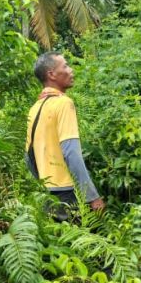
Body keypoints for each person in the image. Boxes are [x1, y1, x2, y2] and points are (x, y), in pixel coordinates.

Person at [25, 52, 105, 217]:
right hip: (69, 192)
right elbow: (71, 153)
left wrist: (43, 183)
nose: (71, 70)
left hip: (47, 193)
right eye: (65, 66)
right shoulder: (64, 103)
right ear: (51, 74)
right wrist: (92, 196)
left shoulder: (34, 108)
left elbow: (28, 156)